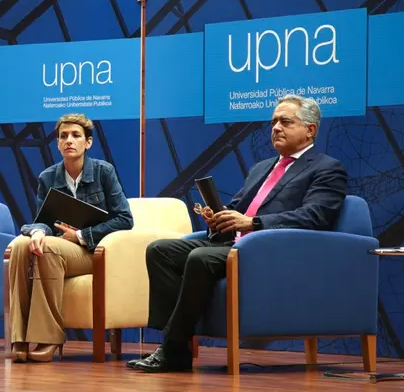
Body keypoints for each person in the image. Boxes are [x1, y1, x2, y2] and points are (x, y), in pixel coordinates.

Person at [129, 95, 348, 373]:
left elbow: (315, 217)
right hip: (234, 244)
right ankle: (178, 345)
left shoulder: (327, 168)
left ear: (310, 130)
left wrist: (253, 223)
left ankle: (172, 348)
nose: (276, 128)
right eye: (273, 122)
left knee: (200, 258)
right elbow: (237, 209)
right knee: (160, 250)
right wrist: (217, 217)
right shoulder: (262, 167)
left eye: (285, 121)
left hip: (273, 250)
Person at [8, 113, 134, 363]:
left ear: (88, 143)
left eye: (76, 136)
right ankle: (19, 338)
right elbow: (41, 219)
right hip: (59, 249)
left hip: (93, 252)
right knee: (22, 245)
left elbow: (125, 219)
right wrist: (37, 231)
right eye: (63, 136)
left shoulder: (103, 172)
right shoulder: (48, 177)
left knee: (50, 250)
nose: (69, 140)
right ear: (57, 144)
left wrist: (79, 236)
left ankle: (48, 338)